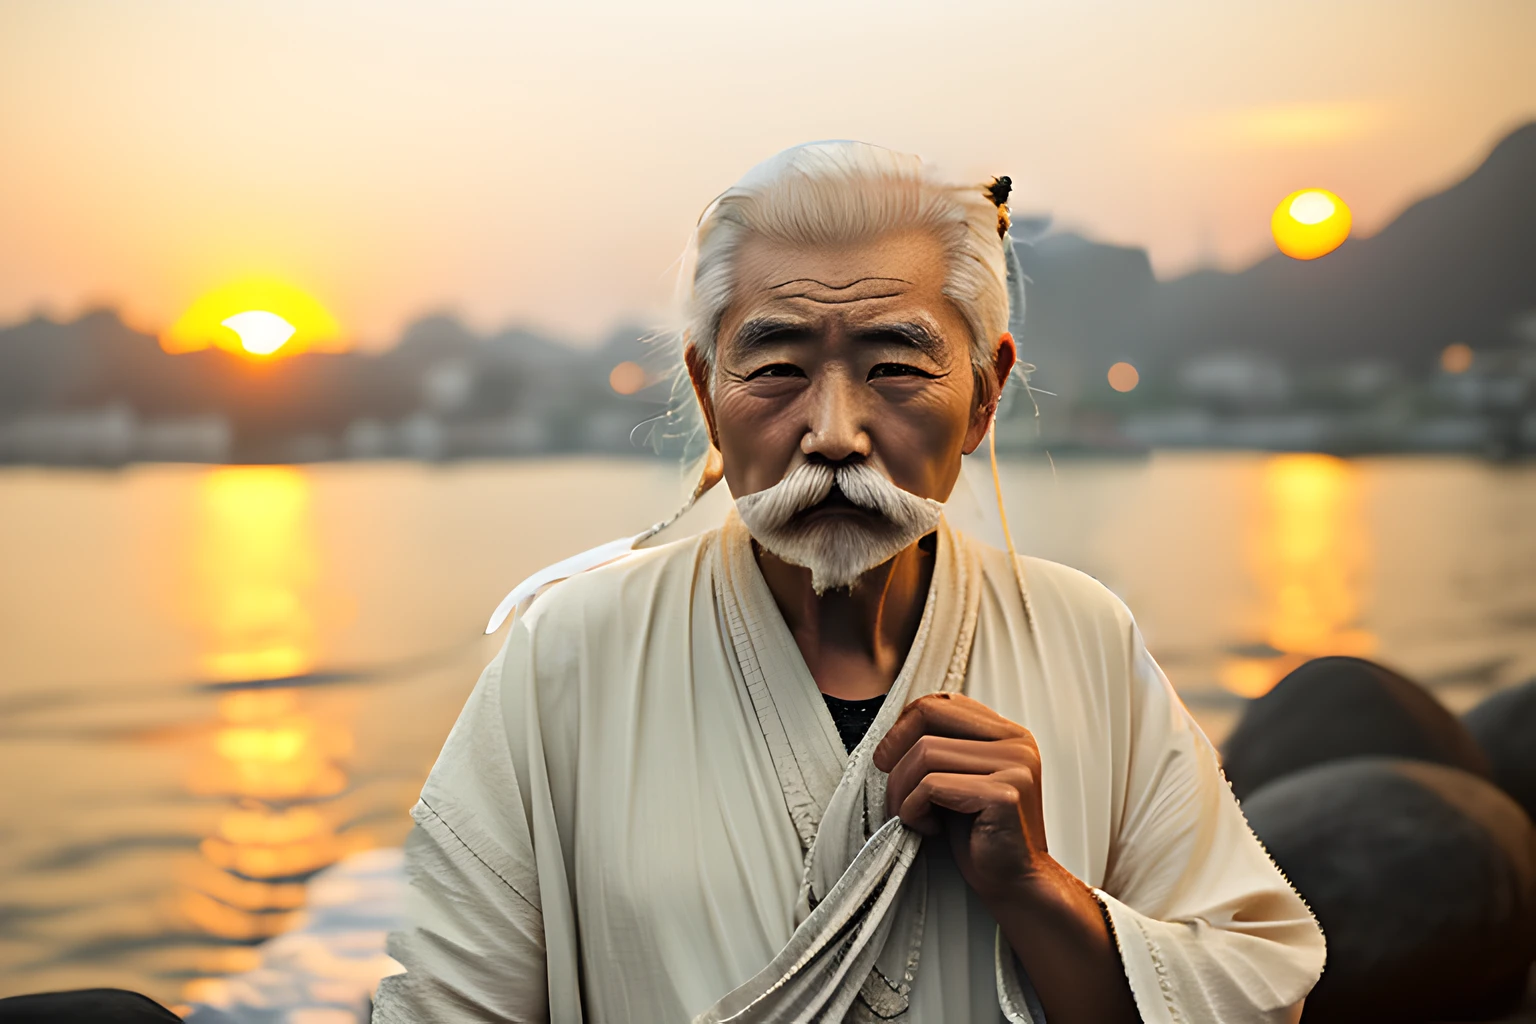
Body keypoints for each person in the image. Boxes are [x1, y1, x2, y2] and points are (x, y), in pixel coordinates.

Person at [372, 142, 1325, 1023]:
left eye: (896, 366)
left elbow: (1252, 987)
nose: (833, 433)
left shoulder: (1083, 637)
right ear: (709, 394)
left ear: (985, 395)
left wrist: (1035, 885)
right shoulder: (570, 654)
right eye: (778, 367)